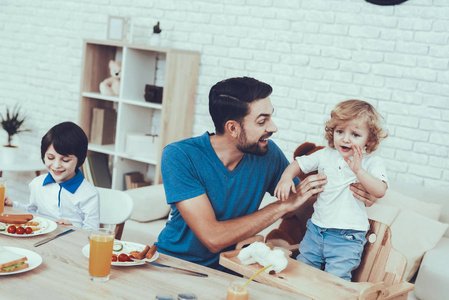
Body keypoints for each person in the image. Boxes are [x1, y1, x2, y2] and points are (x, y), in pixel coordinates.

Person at [155, 77, 377, 271]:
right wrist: (281, 206)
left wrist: (354, 192)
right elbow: (213, 238)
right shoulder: (180, 155)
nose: (273, 127)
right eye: (262, 121)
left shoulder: (268, 154)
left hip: (232, 268)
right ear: (233, 128)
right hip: (175, 264)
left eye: (271, 117)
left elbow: (304, 206)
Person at [274, 99, 388, 281]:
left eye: (355, 134)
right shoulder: (326, 154)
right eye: (340, 131)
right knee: (302, 273)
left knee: (335, 281)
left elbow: (380, 190)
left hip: (347, 237)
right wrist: (286, 177)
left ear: (370, 139)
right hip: (316, 230)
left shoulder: (372, 162)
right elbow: (298, 164)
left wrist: (358, 170)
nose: (345, 138)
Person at [5, 121, 100, 230]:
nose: (56, 165)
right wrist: (13, 205)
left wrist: (73, 229)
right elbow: (32, 212)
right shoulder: (37, 183)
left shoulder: (89, 194)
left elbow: (92, 232)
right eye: (50, 158)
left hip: (70, 243)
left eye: (65, 160)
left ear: (80, 159)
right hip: (41, 240)